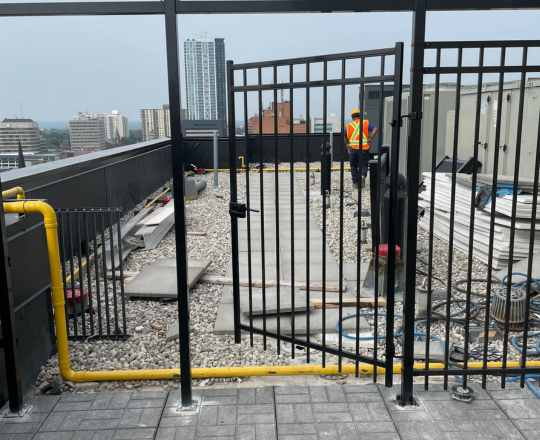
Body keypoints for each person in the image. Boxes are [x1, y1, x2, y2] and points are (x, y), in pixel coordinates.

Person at [343, 109, 378, 189]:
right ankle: (362, 176)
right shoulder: (366, 123)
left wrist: (347, 144)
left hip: (353, 150)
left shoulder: (348, 126)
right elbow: (375, 129)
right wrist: (370, 138)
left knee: (353, 166)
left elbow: (343, 136)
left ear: (352, 117)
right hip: (364, 149)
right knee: (363, 164)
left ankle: (355, 183)